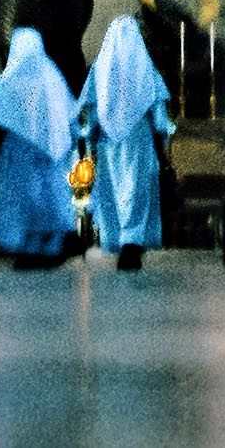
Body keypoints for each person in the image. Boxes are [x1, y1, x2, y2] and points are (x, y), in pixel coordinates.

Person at [76, 14, 176, 273]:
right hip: (139, 138)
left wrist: (89, 139)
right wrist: (164, 144)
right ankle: (133, 242)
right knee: (136, 191)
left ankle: (119, 240)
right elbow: (160, 117)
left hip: (109, 143)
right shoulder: (146, 69)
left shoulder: (100, 69)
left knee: (113, 192)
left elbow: (91, 113)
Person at [0, 27, 77, 268]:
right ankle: (50, 249)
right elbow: (69, 115)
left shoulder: (9, 78)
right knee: (49, 199)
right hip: (50, 155)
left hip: (18, 153)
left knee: (22, 201)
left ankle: (28, 250)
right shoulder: (53, 77)